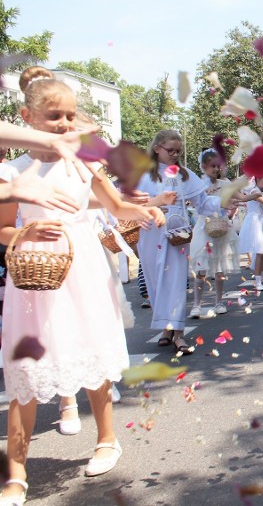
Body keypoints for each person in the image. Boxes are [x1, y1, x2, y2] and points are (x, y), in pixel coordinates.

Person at [0, 67, 165, 502]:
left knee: (92, 354)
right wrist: (23, 234)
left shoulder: (84, 164)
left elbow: (115, 208)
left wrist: (146, 213)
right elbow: (1, 228)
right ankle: (15, 473)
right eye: (55, 116)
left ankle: (107, 439)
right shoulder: (13, 170)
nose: (66, 125)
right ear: (27, 117)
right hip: (35, 274)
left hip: (85, 267)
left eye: (71, 115)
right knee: (26, 371)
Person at [137, 129, 223, 354]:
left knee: (175, 282)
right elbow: (126, 202)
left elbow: (203, 202)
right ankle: (166, 328)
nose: (174, 155)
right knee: (155, 283)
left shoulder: (184, 175)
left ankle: (179, 334)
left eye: (178, 151)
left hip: (177, 234)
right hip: (150, 232)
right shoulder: (142, 173)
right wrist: (147, 209)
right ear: (157, 148)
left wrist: (225, 199)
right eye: (170, 150)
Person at [189, 149, 253, 318]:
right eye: (212, 166)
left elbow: (239, 197)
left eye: (218, 166)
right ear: (203, 166)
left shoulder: (225, 184)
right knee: (201, 267)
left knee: (219, 269)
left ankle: (218, 302)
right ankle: (197, 304)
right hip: (204, 228)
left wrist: (254, 195)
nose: (216, 169)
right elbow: (192, 202)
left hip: (222, 228)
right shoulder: (197, 184)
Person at [238, 176, 263, 290]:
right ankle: (257, 280)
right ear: (257, 180)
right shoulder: (255, 191)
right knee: (260, 251)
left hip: (262, 221)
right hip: (255, 221)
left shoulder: (262, 192)